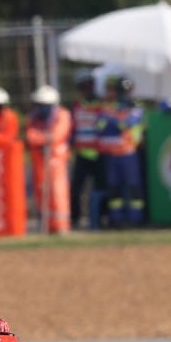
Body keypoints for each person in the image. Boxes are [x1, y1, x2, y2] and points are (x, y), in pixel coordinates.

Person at [97, 76, 146, 227]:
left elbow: (127, 124)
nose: (124, 93)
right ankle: (116, 219)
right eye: (121, 90)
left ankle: (136, 218)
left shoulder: (136, 107)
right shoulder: (110, 107)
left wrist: (115, 120)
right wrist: (114, 119)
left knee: (133, 187)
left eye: (126, 90)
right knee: (113, 188)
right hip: (113, 154)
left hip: (129, 153)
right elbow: (100, 125)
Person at [25, 85, 73, 234]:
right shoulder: (34, 118)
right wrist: (44, 139)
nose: (41, 108)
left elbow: (58, 135)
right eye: (39, 105)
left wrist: (44, 139)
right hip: (39, 160)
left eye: (44, 105)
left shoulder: (62, 115)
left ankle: (61, 225)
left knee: (57, 192)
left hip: (56, 161)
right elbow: (30, 136)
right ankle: (45, 224)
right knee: (41, 192)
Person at [69, 69, 104, 229]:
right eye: (82, 86)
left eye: (88, 85)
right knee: (76, 189)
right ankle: (75, 219)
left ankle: (101, 218)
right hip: (82, 154)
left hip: (99, 154)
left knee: (100, 188)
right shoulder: (76, 106)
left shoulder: (102, 106)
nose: (86, 89)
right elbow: (72, 128)